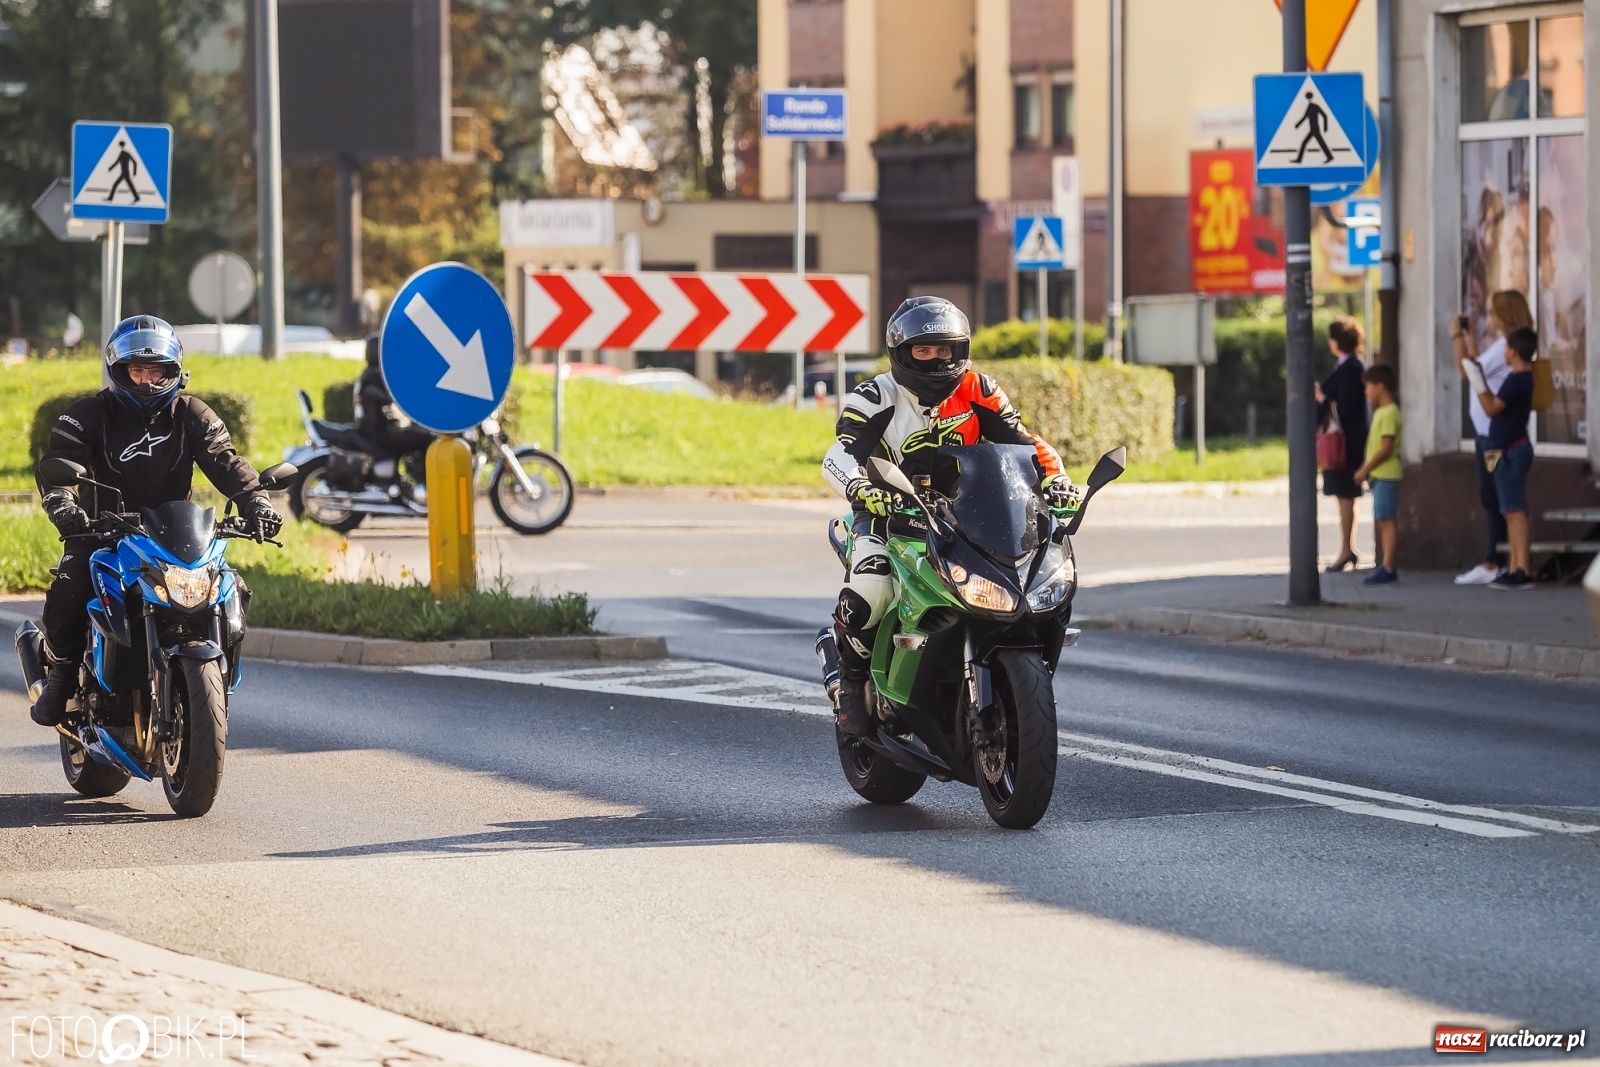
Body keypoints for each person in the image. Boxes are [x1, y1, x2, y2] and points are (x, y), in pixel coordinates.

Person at [820, 297, 1081, 736]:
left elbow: (1025, 445)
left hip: (966, 519)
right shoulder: (875, 395)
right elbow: (840, 453)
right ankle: (849, 683)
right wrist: (859, 487)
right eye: (924, 350)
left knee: (1038, 577)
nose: (937, 360)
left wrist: (1057, 481)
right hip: (889, 516)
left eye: (946, 350)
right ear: (902, 353)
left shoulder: (979, 388)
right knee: (871, 591)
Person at [30, 316, 282, 727]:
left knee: (231, 586)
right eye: (137, 370)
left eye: (157, 371)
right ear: (118, 371)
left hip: (175, 535)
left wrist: (258, 503)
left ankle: (217, 676)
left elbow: (228, 463)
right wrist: (64, 506)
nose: (147, 381)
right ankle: (60, 678)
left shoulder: (193, 414)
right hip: (101, 532)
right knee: (73, 583)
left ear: (174, 372)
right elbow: (59, 467)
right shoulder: (88, 415)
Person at [1450, 289, 1534, 584]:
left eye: (1494, 311)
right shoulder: (1504, 347)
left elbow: (1468, 372)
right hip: (1491, 436)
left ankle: (1495, 562)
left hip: (1495, 439)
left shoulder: (1507, 349)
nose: (1491, 317)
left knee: (1498, 497)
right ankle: (1506, 563)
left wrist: (1456, 339)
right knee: (1497, 497)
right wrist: (1470, 341)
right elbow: (1475, 366)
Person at [1470, 326, 1538, 591]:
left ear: (1515, 351)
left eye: (1507, 348)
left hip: (1510, 450)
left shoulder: (1517, 380)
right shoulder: (1517, 378)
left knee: (1515, 509)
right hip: (1500, 450)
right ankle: (1512, 566)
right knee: (1508, 510)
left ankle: (1523, 567)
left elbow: (1490, 408)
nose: (1504, 352)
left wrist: (1478, 382)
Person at [1314, 317, 1369, 571]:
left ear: (1336, 342)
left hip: (1345, 445)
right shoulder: (1347, 366)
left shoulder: (1351, 368)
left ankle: (1346, 550)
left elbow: (1346, 408)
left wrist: (1322, 397)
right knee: (1344, 497)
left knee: (1346, 495)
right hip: (1345, 443)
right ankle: (1347, 547)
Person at [1351, 364, 1403, 586]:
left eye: (1368, 387)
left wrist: (1365, 468)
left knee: (1386, 520)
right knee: (1381, 519)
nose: (1366, 392)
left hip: (1387, 474)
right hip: (1380, 475)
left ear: (1380, 387)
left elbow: (1385, 447)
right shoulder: (1382, 412)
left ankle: (1388, 566)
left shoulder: (1389, 413)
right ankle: (1385, 564)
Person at [357, 334, 435, 461]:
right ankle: (426, 477)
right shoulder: (376, 376)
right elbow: (395, 398)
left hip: (374, 430)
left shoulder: (367, 374)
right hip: (383, 432)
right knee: (429, 438)